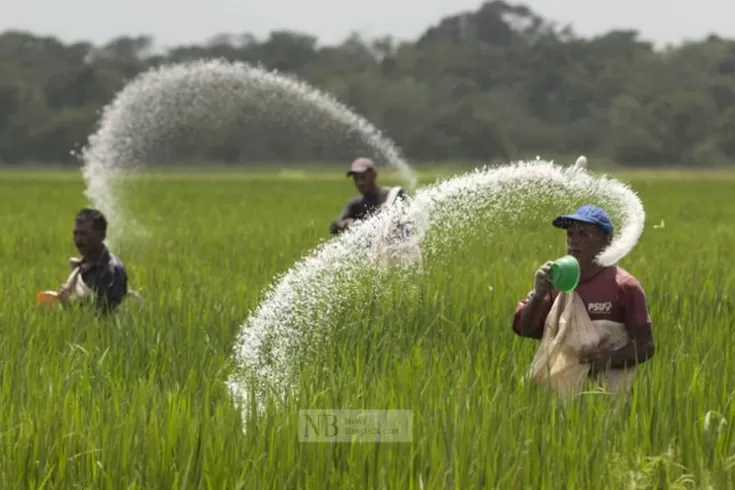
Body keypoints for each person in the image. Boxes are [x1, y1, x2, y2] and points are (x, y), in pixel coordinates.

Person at [512, 204, 654, 382]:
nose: (574, 241)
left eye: (585, 234)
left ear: (607, 241)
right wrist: (539, 295)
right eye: (570, 234)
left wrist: (608, 359)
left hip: (608, 394)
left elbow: (645, 346)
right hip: (559, 394)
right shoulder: (556, 282)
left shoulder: (625, 286)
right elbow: (526, 329)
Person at [57, 208, 129, 314]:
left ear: (102, 236)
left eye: (84, 234)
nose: (78, 240)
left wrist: (71, 303)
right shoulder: (80, 266)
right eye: (76, 234)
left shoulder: (112, 270)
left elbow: (107, 314)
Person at [329, 157, 408, 235]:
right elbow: (333, 226)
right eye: (356, 178)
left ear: (374, 175)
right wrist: (344, 224)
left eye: (363, 177)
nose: (360, 183)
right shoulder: (357, 204)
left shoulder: (393, 196)